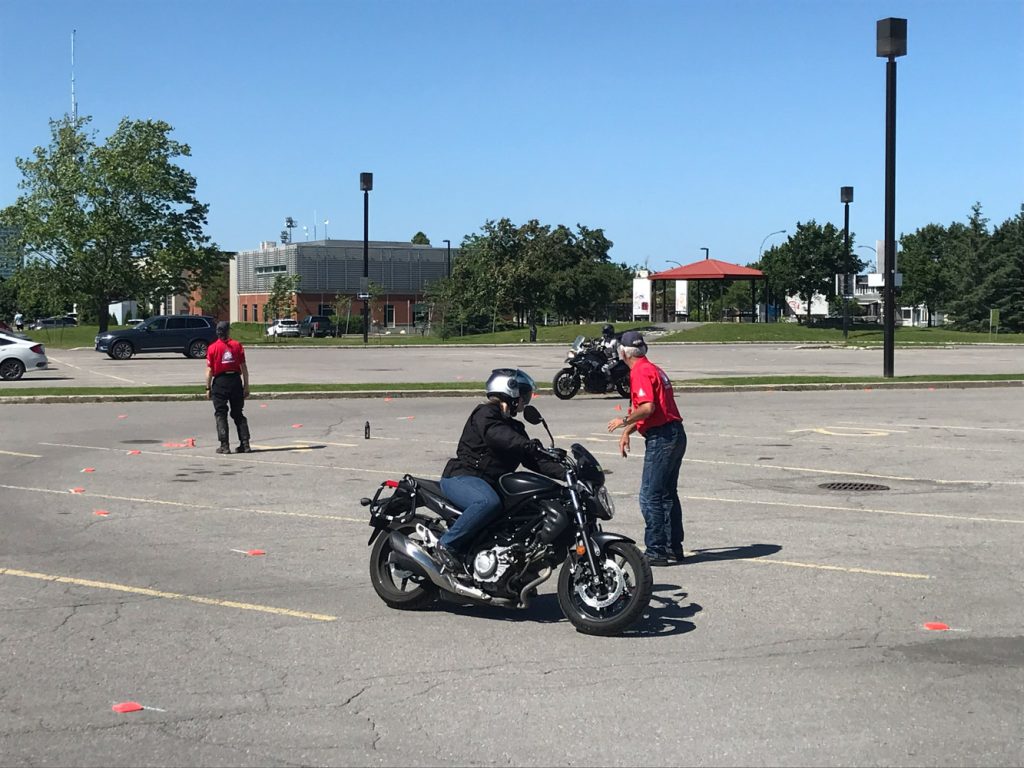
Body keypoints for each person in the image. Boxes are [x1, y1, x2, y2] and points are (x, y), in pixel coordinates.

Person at [435, 368, 565, 574]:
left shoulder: (515, 427)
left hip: (488, 483)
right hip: (463, 477)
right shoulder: (485, 414)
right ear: (510, 392)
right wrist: (526, 444)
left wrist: (565, 473)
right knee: (487, 502)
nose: (526, 400)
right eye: (524, 393)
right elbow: (498, 436)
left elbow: (532, 460)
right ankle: (447, 544)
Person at [606, 330, 686, 566]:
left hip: (663, 437)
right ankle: (672, 547)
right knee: (667, 494)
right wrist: (628, 432)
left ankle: (656, 549)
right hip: (674, 433)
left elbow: (648, 408)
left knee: (650, 495)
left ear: (623, 352)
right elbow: (651, 409)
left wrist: (623, 421)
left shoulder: (640, 372)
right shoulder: (652, 368)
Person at [205, 321, 251, 454]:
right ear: (228, 331)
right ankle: (245, 443)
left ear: (217, 332)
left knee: (221, 413)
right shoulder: (237, 346)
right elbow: (244, 367)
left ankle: (224, 445)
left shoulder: (213, 348)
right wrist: (246, 385)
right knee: (238, 413)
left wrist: (207, 388)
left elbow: (209, 370)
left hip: (220, 381)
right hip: (235, 380)